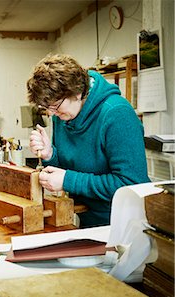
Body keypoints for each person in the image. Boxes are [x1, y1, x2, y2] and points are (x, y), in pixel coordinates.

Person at [27, 54, 150, 228]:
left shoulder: (117, 114)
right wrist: (50, 154)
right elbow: (69, 169)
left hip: (124, 227)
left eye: (55, 106)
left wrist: (68, 180)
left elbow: (131, 184)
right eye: (46, 108)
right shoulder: (62, 115)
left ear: (77, 92)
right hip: (88, 222)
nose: (52, 114)